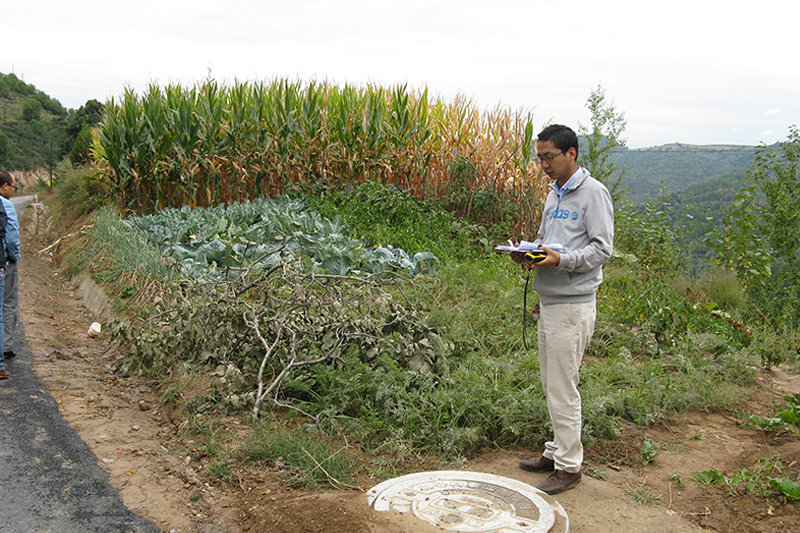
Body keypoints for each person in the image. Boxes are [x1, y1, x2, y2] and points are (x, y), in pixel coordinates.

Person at [510, 124, 614, 494]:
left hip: (572, 306)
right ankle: (555, 452)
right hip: (550, 301)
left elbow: (602, 250)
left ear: (571, 154)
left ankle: (570, 466)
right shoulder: (553, 195)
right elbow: (547, 242)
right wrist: (530, 252)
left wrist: (561, 259)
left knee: (562, 388)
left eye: (549, 157)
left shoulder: (593, 194)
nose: (544, 165)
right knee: (551, 384)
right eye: (539, 158)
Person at [0, 170, 20, 364]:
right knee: (7, 303)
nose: (14, 191)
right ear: (5, 186)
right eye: (14, 187)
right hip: (4, 262)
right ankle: (5, 347)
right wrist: (14, 258)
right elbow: (12, 237)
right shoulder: (6, 206)